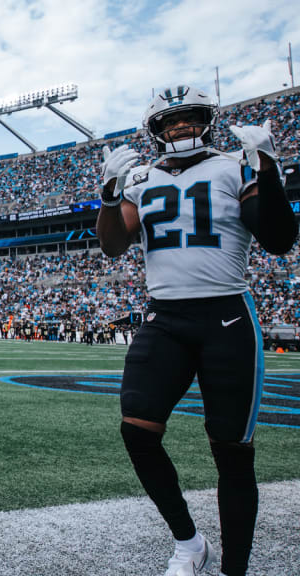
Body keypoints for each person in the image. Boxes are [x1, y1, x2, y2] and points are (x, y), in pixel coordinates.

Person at [96, 85, 297, 576]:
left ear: (205, 120)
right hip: (164, 317)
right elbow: (113, 246)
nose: (180, 127)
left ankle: (235, 570)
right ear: (156, 130)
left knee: (232, 451)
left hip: (226, 316)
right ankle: (189, 542)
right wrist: (107, 194)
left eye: (188, 118)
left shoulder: (234, 166)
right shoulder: (140, 177)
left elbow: (277, 239)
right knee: (137, 430)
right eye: (170, 121)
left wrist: (267, 170)